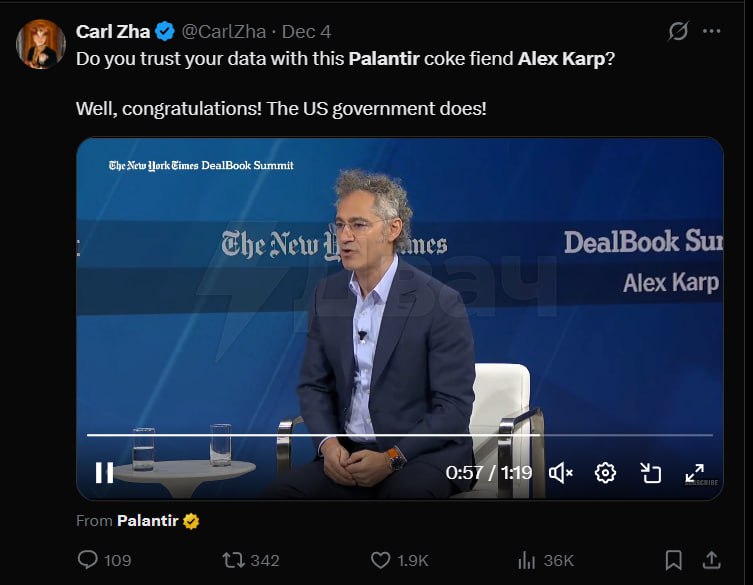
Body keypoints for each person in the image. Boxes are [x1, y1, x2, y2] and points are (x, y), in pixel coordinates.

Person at [261, 169, 476, 498]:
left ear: (393, 229)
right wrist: (329, 445)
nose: (345, 236)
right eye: (340, 225)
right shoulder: (327, 296)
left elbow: (454, 409)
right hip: (350, 456)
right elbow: (314, 386)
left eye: (359, 225)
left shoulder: (439, 302)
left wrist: (392, 459)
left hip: (422, 457)